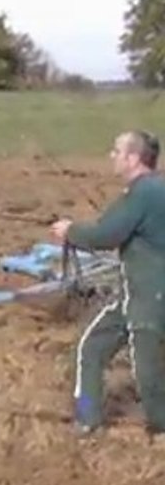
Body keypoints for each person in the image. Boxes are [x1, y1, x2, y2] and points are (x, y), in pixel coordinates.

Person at [50, 129, 165, 437]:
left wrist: (70, 230)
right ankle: (87, 415)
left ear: (133, 158)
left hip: (150, 297)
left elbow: (105, 236)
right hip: (133, 295)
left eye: (117, 151)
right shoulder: (152, 191)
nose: (111, 156)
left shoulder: (142, 194)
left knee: (146, 370)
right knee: (90, 347)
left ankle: (161, 424)